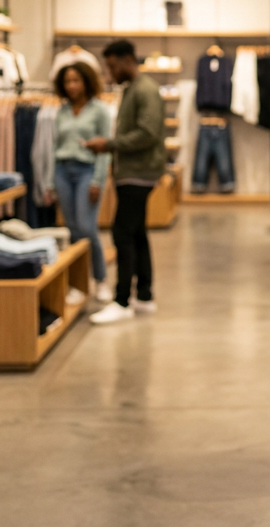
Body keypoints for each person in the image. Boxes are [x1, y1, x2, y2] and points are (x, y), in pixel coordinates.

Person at [84, 39, 166, 325]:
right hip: (133, 171)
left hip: (139, 173)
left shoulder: (145, 90)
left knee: (122, 233)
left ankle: (122, 300)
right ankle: (143, 295)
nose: (110, 72)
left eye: (112, 65)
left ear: (127, 60)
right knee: (136, 232)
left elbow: (148, 132)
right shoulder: (133, 90)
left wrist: (109, 144)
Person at [49, 61, 113, 304]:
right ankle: (78, 284)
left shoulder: (99, 110)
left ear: (86, 81)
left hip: (87, 170)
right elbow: (55, 148)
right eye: (67, 81)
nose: (72, 86)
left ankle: (101, 279)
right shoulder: (62, 111)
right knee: (73, 230)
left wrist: (98, 179)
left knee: (87, 228)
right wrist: (50, 182)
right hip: (63, 171)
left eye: (76, 80)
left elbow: (105, 149)